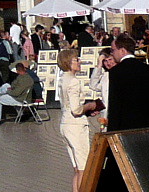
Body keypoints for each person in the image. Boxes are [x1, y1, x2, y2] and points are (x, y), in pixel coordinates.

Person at [57, 49, 97, 192]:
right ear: (68, 62)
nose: (79, 62)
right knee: (84, 168)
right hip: (75, 125)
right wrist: (89, 106)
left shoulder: (62, 79)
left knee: (76, 168)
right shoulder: (73, 81)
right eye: (76, 60)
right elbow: (76, 109)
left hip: (65, 123)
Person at [105, 33, 149, 131]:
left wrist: (111, 130)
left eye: (113, 50)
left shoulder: (116, 72)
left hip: (126, 127)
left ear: (122, 51)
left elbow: (115, 105)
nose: (112, 53)